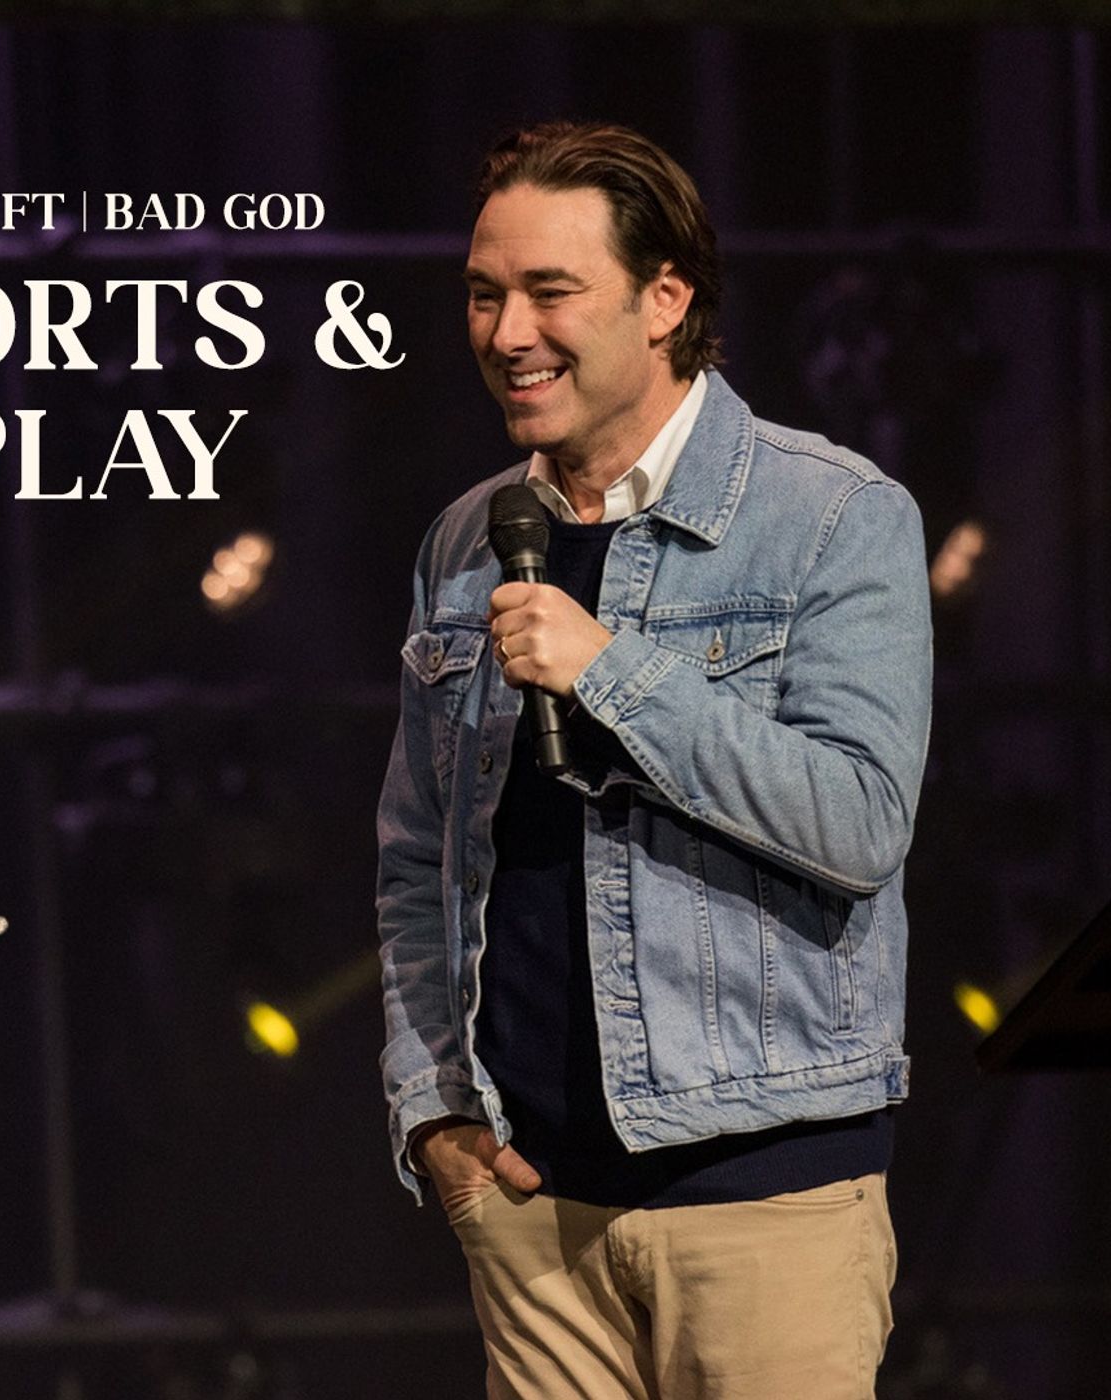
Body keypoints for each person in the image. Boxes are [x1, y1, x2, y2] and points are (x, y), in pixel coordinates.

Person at [375, 121, 932, 1399]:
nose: (506, 331)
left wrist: (608, 670)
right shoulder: (466, 539)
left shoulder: (829, 515)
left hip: (762, 1201)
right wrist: (434, 1114)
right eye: (482, 293)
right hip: (530, 1213)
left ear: (664, 299)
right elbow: (417, 857)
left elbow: (857, 819)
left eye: (548, 291)